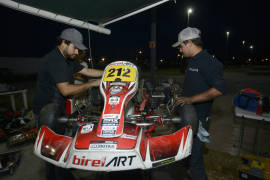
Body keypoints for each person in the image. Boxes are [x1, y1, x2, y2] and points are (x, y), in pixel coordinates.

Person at [33, 28, 104, 180]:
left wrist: (110, 72)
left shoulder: (68, 60)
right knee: (52, 154)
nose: (77, 52)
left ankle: (63, 175)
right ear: (64, 42)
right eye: (75, 47)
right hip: (47, 114)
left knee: (60, 152)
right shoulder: (55, 60)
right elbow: (65, 90)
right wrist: (92, 85)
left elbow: (87, 71)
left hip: (57, 111)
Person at [172, 27, 225, 180]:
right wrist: (181, 89)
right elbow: (196, 86)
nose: (180, 50)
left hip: (198, 120)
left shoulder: (209, 62)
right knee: (186, 158)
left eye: (181, 46)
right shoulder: (192, 61)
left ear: (189, 43)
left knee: (195, 163)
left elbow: (218, 90)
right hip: (188, 118)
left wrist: (190, 100)